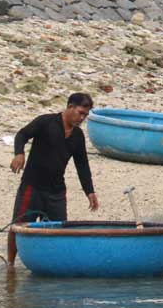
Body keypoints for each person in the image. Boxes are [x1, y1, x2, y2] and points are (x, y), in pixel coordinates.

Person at [7, 92, 100, 267]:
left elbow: (82, 165)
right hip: (32, 187)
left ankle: (51, 266)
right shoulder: (45, 122)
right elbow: (22, 135)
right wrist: (19, 153)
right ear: (70, 107)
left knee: (58, 232)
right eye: (80, 113)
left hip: (56, 191)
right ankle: (10, 265)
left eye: (86, 115)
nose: (82, 118)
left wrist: (90, 191)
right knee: (18, 227)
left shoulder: (78, 136)